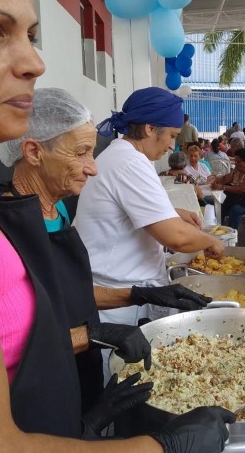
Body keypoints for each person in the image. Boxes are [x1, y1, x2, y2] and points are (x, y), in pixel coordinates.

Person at [0, 0, 234, 451]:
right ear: (33, 153)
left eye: (31, 35)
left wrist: (120, 314)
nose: (34, 63)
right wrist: (163, 447)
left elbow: (13, 332)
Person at [0, 88, 212, 418]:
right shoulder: (4, 231)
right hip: (40, 394)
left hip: (75, 372)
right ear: (34, 152)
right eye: (82, 153)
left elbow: (70, 293)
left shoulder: (56, 213)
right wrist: (93, 334)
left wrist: (140, 295)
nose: (93, 168)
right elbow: (13, 346)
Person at [73, 87, 225, 374]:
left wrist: (173, 212)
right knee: (119, 381)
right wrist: (210, 241)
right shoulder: (129, 161)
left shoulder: (122, 155)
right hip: (114, 301)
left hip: (122, 294)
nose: (172, 146)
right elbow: (175, 237)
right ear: (149, 128)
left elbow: (133, 210)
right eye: (170, 135)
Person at [211, 148, 245, 229]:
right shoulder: (237, 171)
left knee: (235, 210)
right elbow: (225, 180)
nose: (235, 163)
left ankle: (232, 235)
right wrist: (215, 180)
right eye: (235, 161)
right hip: (238, 199)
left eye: (238, 161)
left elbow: (243, 190)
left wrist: (223, 187)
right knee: (219, 204)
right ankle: (218, 227)